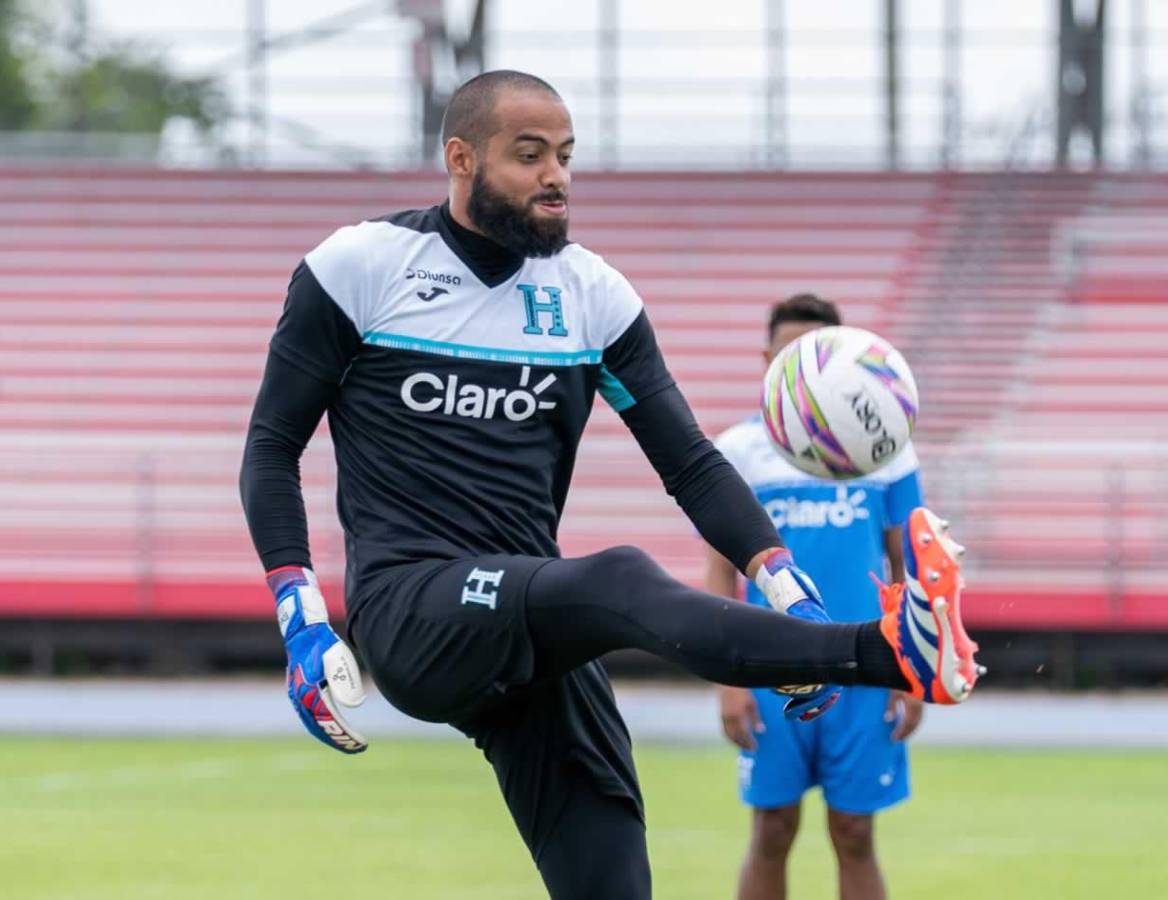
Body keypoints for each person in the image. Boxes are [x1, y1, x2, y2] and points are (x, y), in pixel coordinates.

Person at [239, 70, 981, 900]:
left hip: (534, 624)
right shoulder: (360, 268)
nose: (556, 175)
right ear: (459, 159)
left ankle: (825, 641)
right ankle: (884, 652)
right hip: (411, 607)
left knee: (613, 883)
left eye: (565, 155)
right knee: (619, 577)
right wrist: (301, 621)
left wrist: (787, 586)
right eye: (529, 156)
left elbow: (690, 463)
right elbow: (272, 448)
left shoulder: (592, 296)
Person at [708, 294, 925, 900]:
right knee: (772, 827)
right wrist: (729, 680)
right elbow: (720, 571)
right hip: (770, 667)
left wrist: (911, 667)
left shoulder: (884, 448)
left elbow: (907, 563)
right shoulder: (737, 451)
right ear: (765, 360)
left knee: (855, 832)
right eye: (787, 355)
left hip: (865, 665)